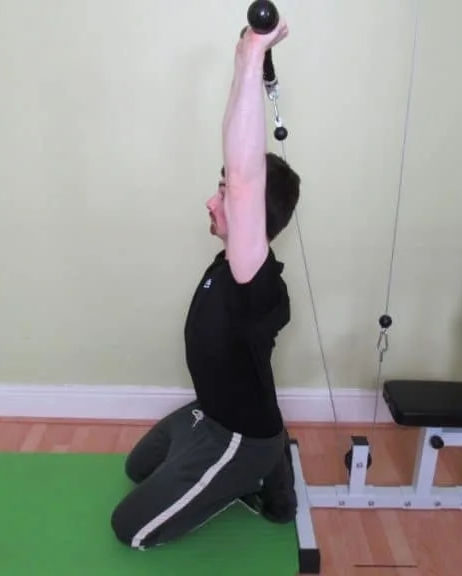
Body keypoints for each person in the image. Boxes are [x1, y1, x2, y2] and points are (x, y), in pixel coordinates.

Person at [110, 20, 301, 550]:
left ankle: (260, 474)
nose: (212, 200)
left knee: (131, 529)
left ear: (250, 218)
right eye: (217, 188)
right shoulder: (227, 266)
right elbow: (240, 182)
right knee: (137, 466)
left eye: (224, 193)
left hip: (241, 438)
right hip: (209, 413)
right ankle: (232, 469)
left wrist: (248, 59)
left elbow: (243, 181)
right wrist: (245, 58)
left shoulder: (255, 281)